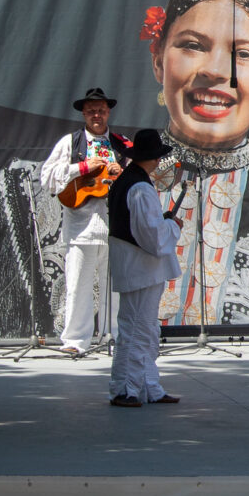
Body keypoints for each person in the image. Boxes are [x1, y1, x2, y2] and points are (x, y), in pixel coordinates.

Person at [138, 0, 249, 328]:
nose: (214, 70)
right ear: (159, 59)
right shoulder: (107, 185)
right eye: (193, 45)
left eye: (242, 54)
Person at [40, 87, 127, 355]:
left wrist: (121, 172)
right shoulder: (70, 142)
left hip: (115, 227)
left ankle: (115, 337)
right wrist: (81, 168)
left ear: (108, 111)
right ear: (84, 114)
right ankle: (76, 341)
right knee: (78, 285)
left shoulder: (121, 143)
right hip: (82, 227)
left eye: (100, 110)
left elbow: (138, 179)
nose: (96, 115)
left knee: (116, 288)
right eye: (91, 111)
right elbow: (47, 177)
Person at [106, 129, 182, 407]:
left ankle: (149, 385)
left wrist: (164, 224)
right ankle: (124, 388)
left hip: (138, 267)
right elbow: (151, 237)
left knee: (145, 329)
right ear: (154, 158)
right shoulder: (139, 187)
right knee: (137, 329)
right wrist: (172, 225)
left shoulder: (131, 182)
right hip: (140, 268)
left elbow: (142, 228)